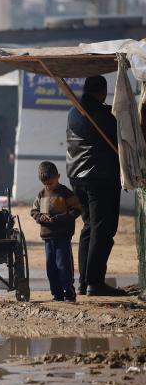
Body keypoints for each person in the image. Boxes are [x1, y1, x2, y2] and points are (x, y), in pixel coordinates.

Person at [66, 75, 125, 296]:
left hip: (77, 177)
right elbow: (122, 135)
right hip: (99, 178)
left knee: (89, 227)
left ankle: (84, 282)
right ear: (102, 91)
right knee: (103, 229)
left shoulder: (73, 111)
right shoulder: (104, 115)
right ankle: (95, 282)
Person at [30, 161, 82, 302]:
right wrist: (41, 217)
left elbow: (77, 209)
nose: (48, 186)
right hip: (48, 237)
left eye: (51, 183)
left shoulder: (65, 193)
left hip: (63, 236)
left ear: (58, 177)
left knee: (63, 265)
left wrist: (59, 219)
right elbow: (34, 210)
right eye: (45, 184)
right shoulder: (41, 195)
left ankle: (69, 292)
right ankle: (57, 294)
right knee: (51, 266)